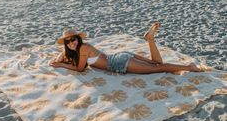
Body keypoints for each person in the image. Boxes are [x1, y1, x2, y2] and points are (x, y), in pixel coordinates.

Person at [49, 22, 201, 74]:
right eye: (68, 42)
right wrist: (63, 54)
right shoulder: (74, 49)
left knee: (158, 68)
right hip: (120, 56)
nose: (71, 43)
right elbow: (59, 58)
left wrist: (61, 64)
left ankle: (189, 67)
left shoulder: (83, 48)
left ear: (78, 38)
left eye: (73, 39)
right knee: (157, 63)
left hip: (118, 63)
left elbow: (81, 69)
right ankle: (150, 39)